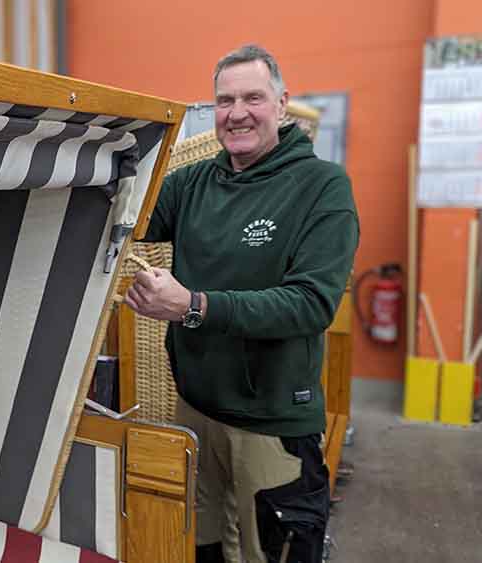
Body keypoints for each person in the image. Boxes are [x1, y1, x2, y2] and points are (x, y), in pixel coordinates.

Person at [125, 44, 359, 563]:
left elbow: (309, 304)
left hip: (269, 422)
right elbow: (132, 215)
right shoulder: (193, 182)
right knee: (206, 548)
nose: (237, 113)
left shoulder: (322, 187)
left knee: (272, 550)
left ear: (281, 103)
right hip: (196, 410)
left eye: (253, 97)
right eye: (224, 101)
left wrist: (194, 306)